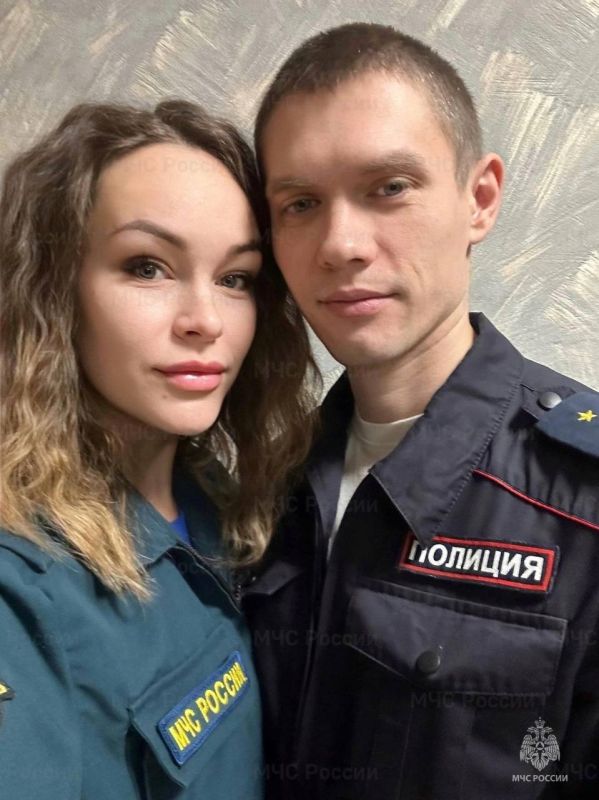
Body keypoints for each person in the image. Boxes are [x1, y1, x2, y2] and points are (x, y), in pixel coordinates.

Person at [243, 22, 599, 800]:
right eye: (299, 203)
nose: (340, 244)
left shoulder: (582, 504)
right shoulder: (258, 486)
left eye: (388, 188)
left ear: (478, 200)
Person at [0, 100, 317, 798]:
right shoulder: (19, 583)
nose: (205, 320)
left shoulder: (218, 498)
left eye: (235, 278)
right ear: (53, 289)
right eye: (147, 267)